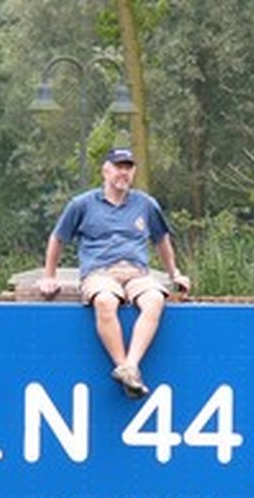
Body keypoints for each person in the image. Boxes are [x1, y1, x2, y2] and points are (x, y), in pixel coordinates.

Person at [38, 147, 190, 398]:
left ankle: (130, 367)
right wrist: (49, 276)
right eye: (118, 167)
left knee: (154, 299)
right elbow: (58, 238)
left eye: (128, 167)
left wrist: (175, 274)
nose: (123, 173)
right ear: (105, 170)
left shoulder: (146, 204)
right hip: (100, 272)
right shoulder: (82, 204)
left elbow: (162, 240)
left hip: (137, 272)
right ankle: (123, 367)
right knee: (105, 301)